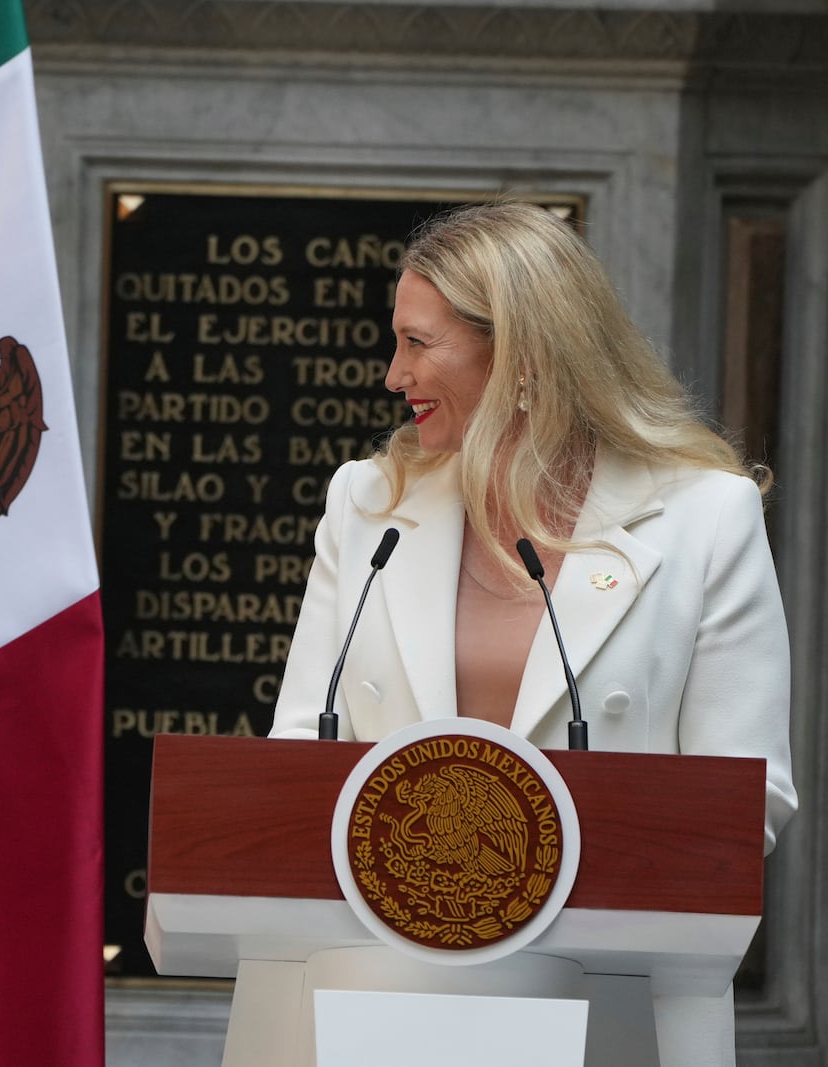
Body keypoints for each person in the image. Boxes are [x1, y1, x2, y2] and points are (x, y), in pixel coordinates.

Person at [270, 201, 795, 1062]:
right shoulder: (367, 505)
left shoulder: (705, 516)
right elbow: (294, 754)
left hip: (615, 1006)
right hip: (377, 1005)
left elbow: (748, 799)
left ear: (517, 351)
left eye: (417, 342)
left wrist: (520, 887)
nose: (392, 375)